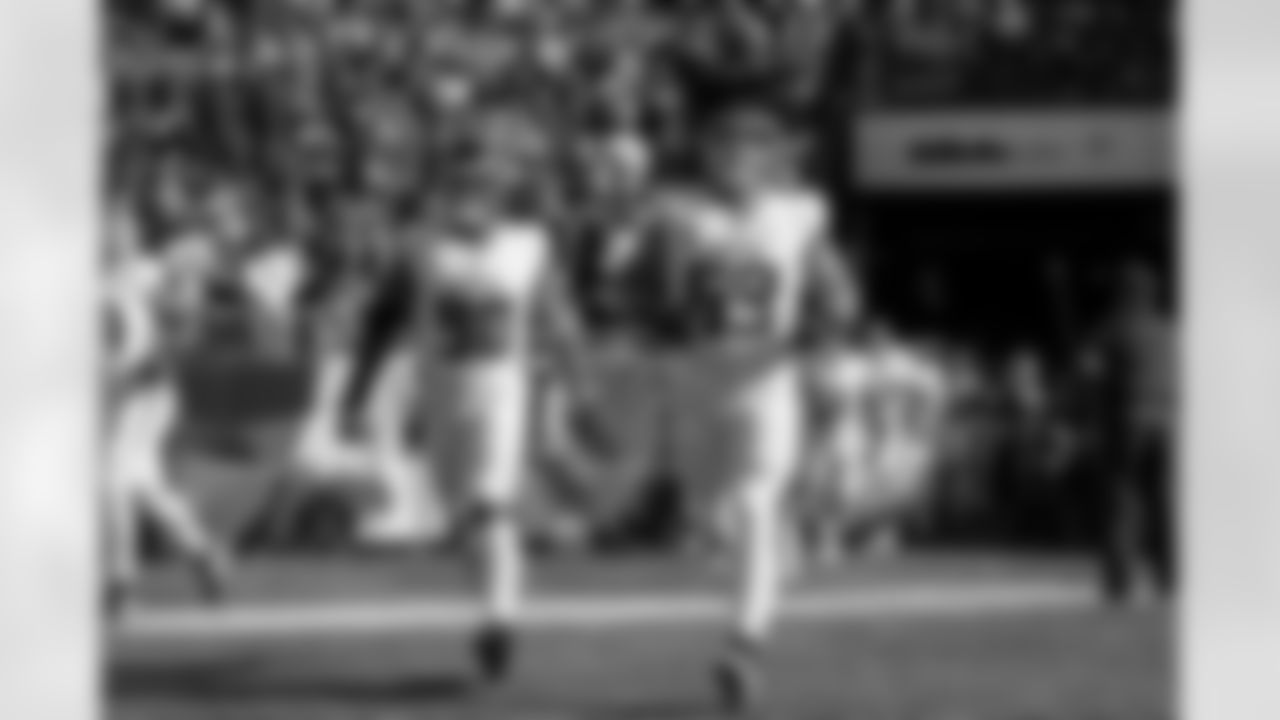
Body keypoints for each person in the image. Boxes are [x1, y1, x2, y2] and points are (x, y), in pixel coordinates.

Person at [615, 104, 858, 712]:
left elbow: (837, 291)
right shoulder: (676, 214)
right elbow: (635, 289)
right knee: (710, 517)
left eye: (751, 147)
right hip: (697, 379)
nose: (737, 159)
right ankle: (776, 552)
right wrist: (652, 309)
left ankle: (744, 646)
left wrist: (825, 330)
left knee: (753, 503)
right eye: (726, 146)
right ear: (706, 154)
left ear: (772, 158)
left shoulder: (798, 214)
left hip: (766, 380)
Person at [411, 116, 579, 684]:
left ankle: (500, 620)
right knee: (466, 519)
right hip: (441, 396)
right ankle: (495, 605)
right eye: (463, 185)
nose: (472, 196)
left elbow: (560, 317)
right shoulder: (422, 245)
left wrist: (580, 382)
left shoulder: (528, 245)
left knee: (490, 505)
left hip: (501, 394)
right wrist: (358, 392)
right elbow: (381, 320)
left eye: (484, 187)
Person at [101, 194, 233, 612]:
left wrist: (154, 363)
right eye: (108, 226)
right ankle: (201, 551)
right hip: (114, 394)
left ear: (134, 232)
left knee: (111, 477)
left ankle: (120, 578)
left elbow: (186, 326)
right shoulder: (94, 279)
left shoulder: (150, 274)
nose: (113, 234)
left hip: (148, 392)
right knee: (142, 483)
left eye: (120, 226)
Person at [1093, 260, 1177, 604]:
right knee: (1165, 502)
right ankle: (1171, 577)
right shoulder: (1169, 329)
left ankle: (1120, 581)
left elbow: (1095, 378)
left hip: (1129, 421)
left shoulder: (1114, 329)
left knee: (1123, 499)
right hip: (1170, 420)